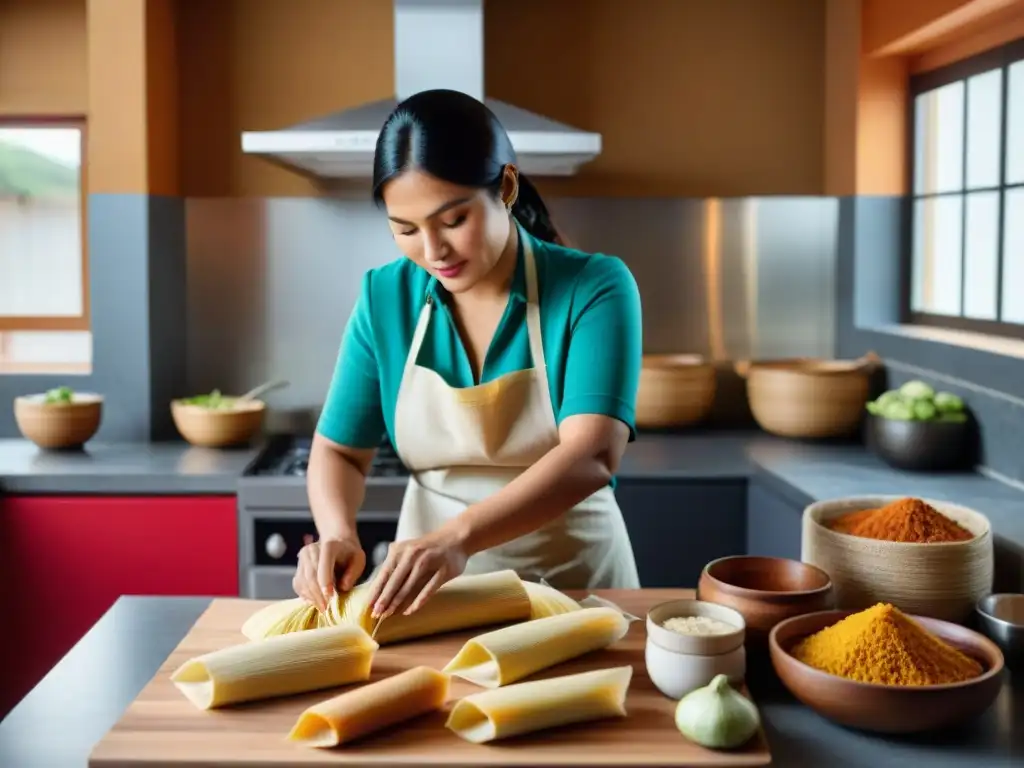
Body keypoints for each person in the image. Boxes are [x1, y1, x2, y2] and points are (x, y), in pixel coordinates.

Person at [293, 88, 643, 623]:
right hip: (426, 604)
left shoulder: (593, 287)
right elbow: (338, 451)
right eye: (405, 229)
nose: (433, 252)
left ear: (505, 186)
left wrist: (458, 539)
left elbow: (593, 454)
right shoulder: (384, 298)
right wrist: (338, 532)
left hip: (576, 594)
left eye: (453, 220)